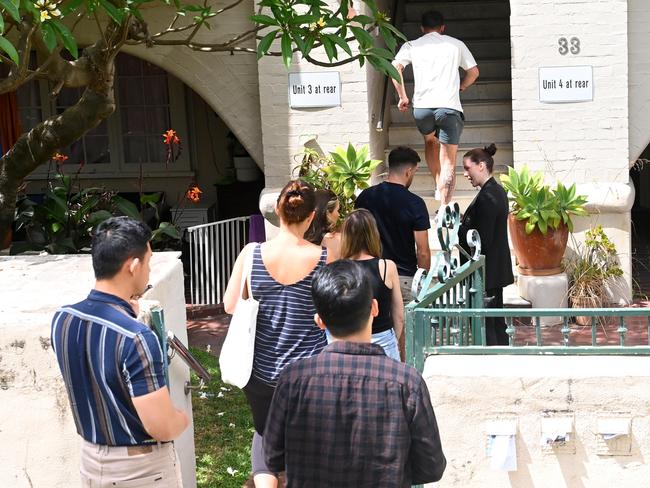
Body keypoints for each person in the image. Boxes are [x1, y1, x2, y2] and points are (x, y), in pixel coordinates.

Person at [264, 260, 446, 487]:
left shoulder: (293, 380)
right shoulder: (407, 383)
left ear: (319, 321)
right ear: (375, 308)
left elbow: (272, 456)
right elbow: (432, 466)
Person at [51, 216, 189, 487]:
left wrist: (127, 312)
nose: (149, 271)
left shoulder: (63, 319)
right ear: (133, 266)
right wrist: (181, 418)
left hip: (91, 461)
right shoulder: (136, 338)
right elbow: (160, 426)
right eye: (148, 263)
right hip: (140, 470)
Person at [223, 179, 328, 488]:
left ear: (279, 214)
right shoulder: (322, 258)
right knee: (305, 443)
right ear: (311, 218)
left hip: (261, 371)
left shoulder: (251, 254)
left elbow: (230, 305)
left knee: (266, 434)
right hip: (309, 374)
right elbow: (330, 313)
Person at [392, 9, 480, 205]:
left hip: (423, 108)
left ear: (422, 28)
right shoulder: (456, 45)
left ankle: (438, 184)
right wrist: (462, 86)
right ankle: (445, 206)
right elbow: (473, 72)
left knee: (431, 142)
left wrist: (403, 97)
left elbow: (395, 67)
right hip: (449, 107)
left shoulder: (411, 45)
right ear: (442, 28)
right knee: (448, 159)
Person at [355, 146, 431, 304]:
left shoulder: (365, 197)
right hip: (403, 277)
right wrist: (423, 280)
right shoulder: (415, 203)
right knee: (404, 327)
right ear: (408, 171)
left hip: (370, 273)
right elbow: (422, 251)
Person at [459, 144, 514, 345]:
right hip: (493, 269)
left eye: (467, 168)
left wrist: (459, 228)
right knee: (495, 322)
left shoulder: (489, 195)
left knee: (489, 325)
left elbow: (482, 238)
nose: (465, 174)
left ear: (481, 166)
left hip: (487, 271)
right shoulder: (494, 191)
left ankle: (494, 359)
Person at [339, 209, 405, 361]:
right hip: (383, 339)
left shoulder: (339, 268)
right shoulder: (387, 267)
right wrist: (395, 340)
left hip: (349, 338)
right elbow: (399, 314)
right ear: (373, 234)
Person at [305, 188, 341, 260]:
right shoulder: (335, 240)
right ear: (327, 213)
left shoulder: (299, 236)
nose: (339, 214)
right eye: (337, 210)